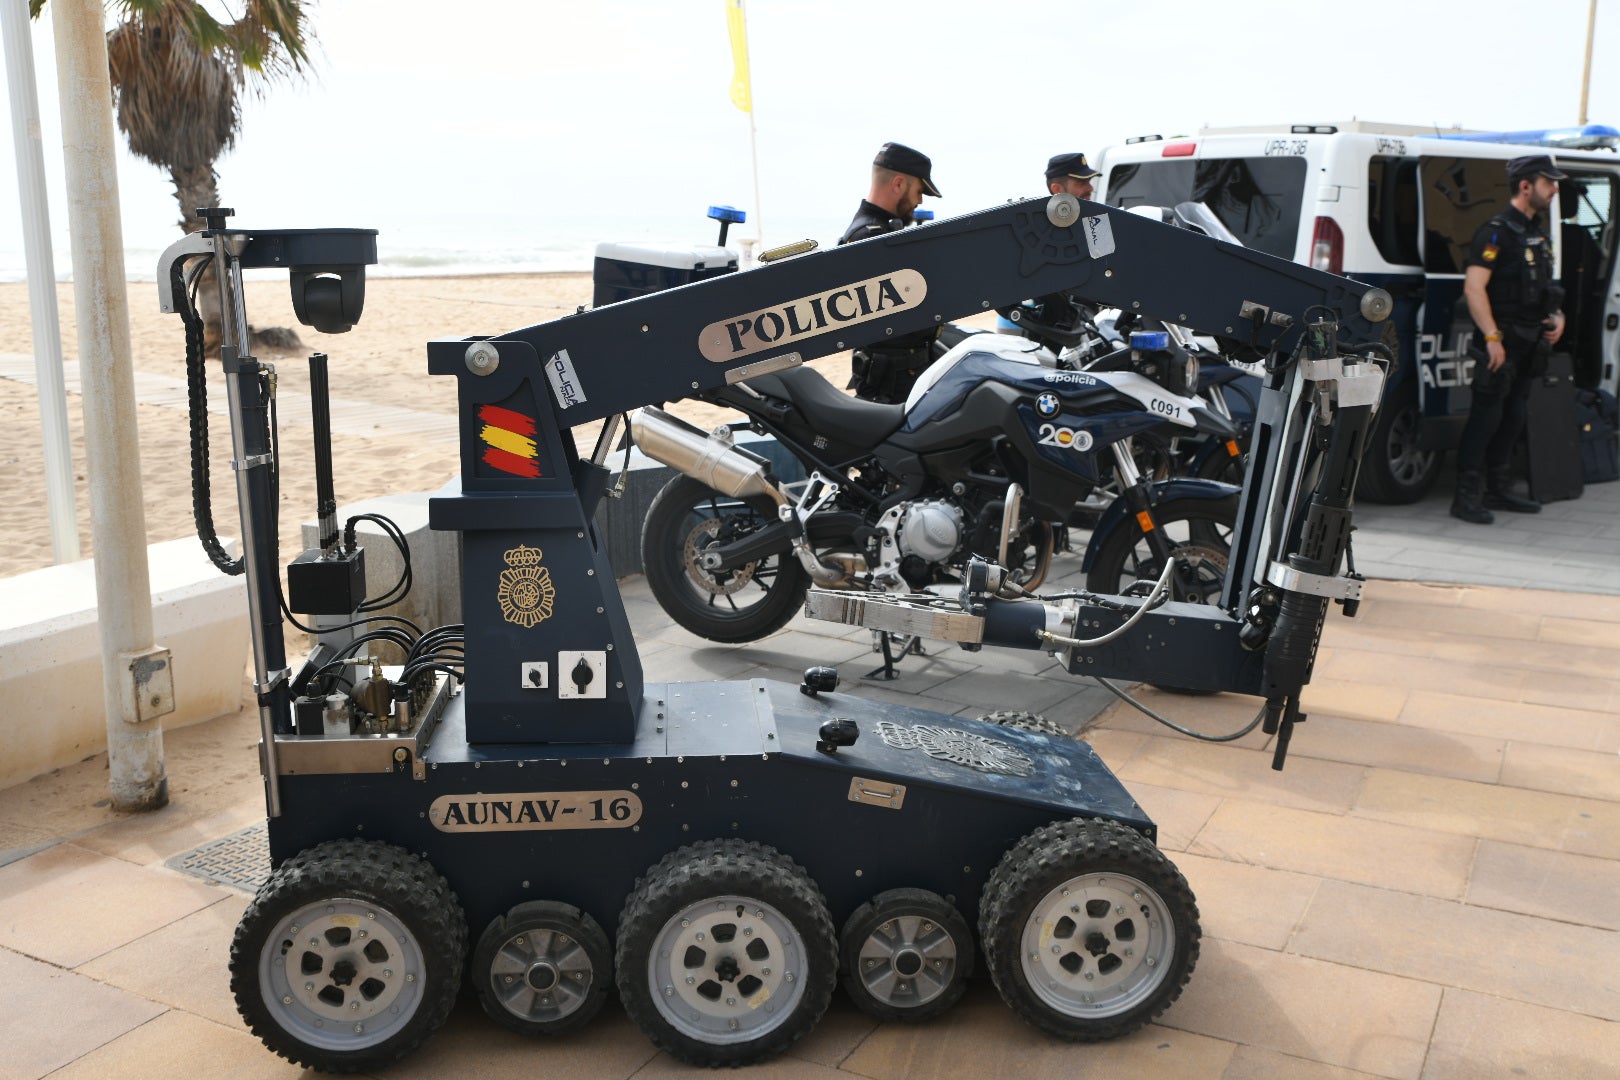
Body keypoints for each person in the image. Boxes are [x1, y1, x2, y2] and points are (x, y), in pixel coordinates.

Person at [1451, 155, 1568, 524]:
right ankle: (1465, 496)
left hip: (1530, 339)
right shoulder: (1496, 232)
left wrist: (1558, 318)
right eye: (1549, 182)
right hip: (1500, 342)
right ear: (1526, 185)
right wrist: (1491, 336)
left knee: (1514, 415)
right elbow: (1474, 289)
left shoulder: (1538, 232)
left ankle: (1497, 489)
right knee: (1486, 417)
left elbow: (1546, 287)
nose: (1555, 189)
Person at [838, 142, 941, 401]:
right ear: (898, 184)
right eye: (919, 191)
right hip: (891, 381)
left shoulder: (878, 232)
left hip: (900, 372)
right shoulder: (869, 237)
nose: (918, 201)